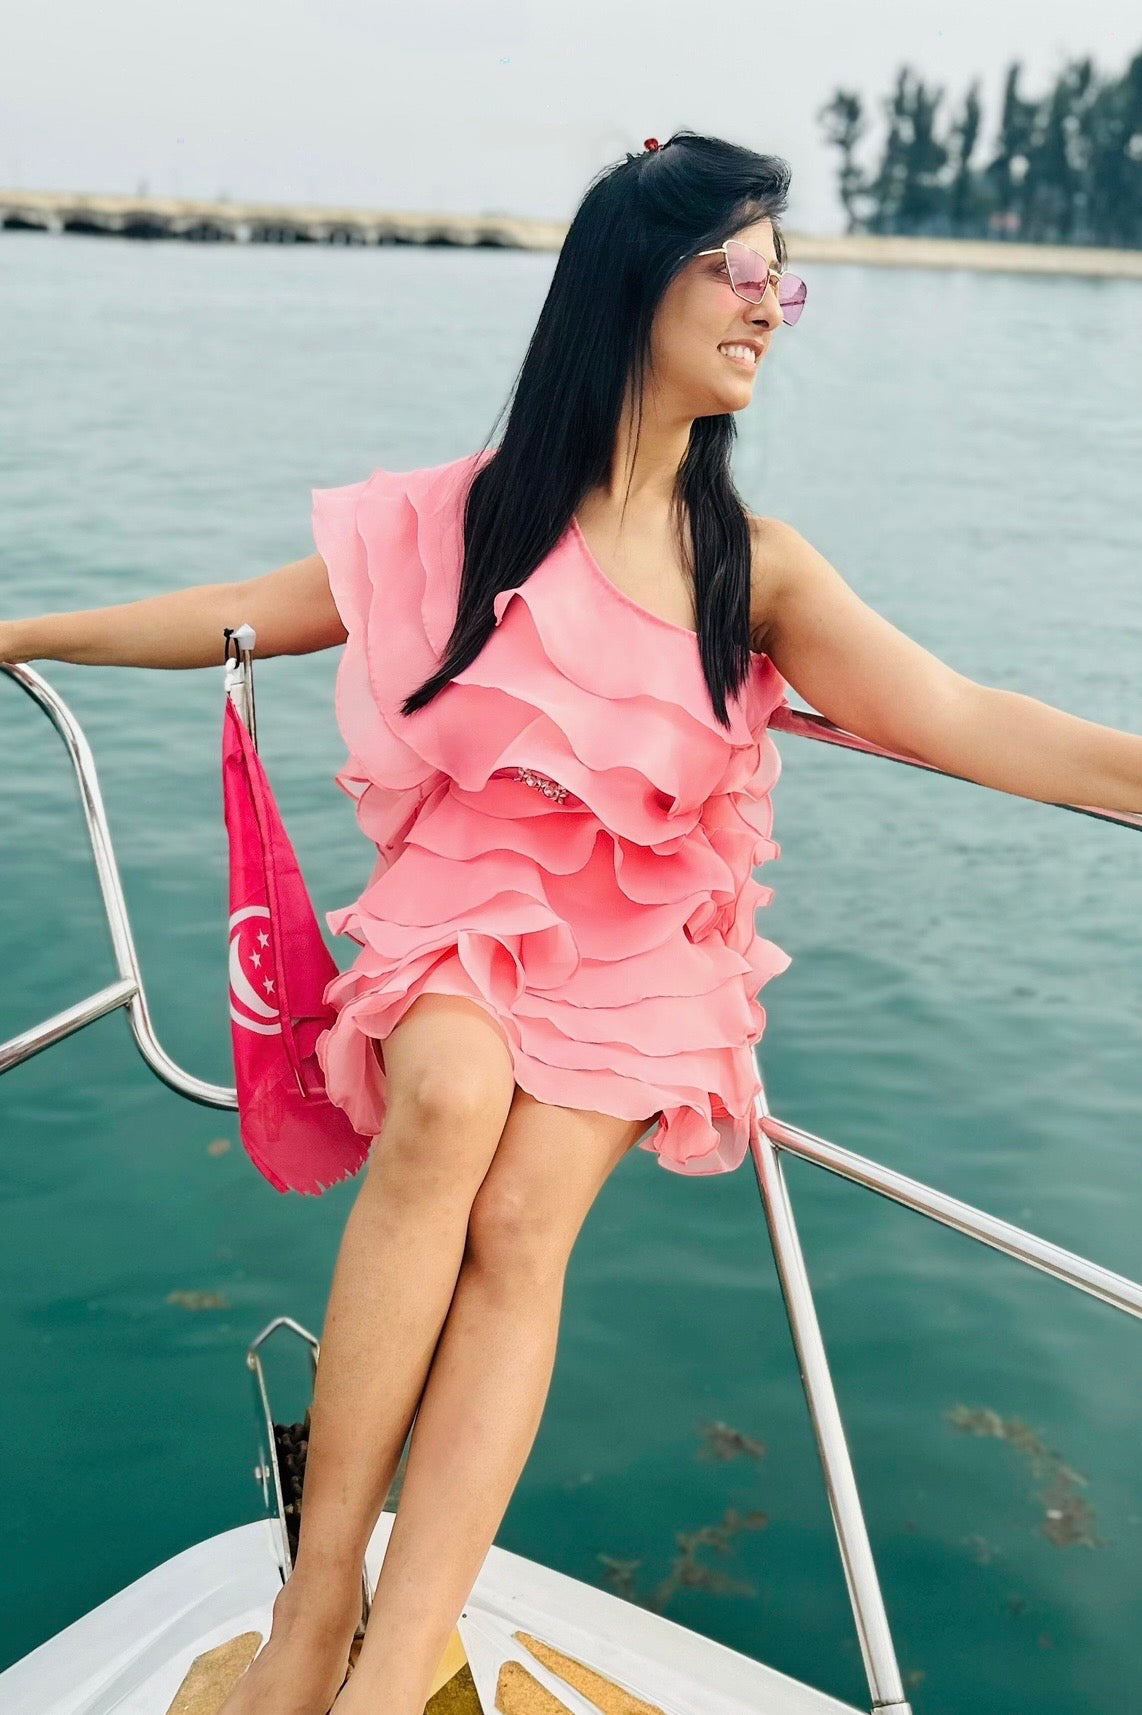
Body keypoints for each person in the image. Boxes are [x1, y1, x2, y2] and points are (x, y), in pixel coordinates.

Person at [3, 130, 1140, 1715]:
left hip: (645, 951)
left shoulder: (759, 569)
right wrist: (20, 629)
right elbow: (233, 615)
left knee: (525, 1222)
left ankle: (396, 1661)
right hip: (471, 901)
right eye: (737, 268)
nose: (768, 307)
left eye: (779, 278)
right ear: (630, 285)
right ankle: (320, 1588)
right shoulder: (473, 516)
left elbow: (961, 715)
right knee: (452, 1092)